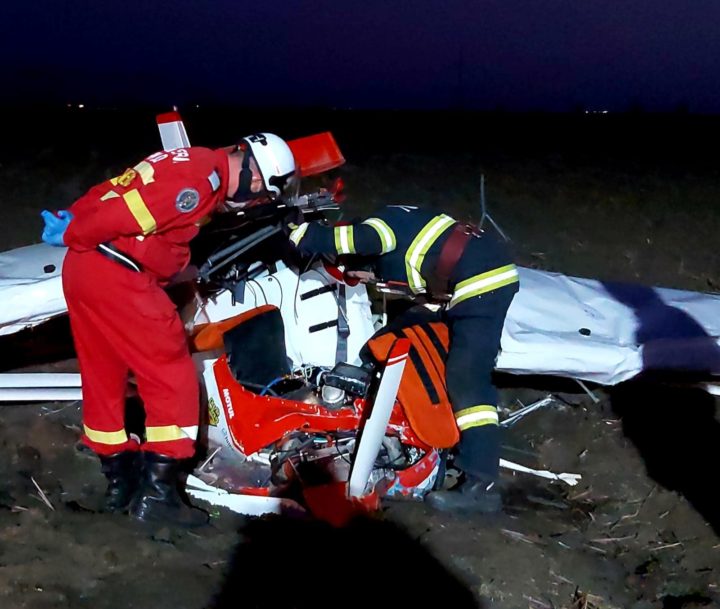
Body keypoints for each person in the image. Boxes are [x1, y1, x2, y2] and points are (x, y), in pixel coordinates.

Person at [41, 133, 297, 526]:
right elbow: (127, 216)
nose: (253, 202)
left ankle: (120, 486)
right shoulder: (201, 183)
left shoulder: (189, 159)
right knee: (171, 376)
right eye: (260, 195)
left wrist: (74, 218)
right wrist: (75, 231)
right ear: (258, 179)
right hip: (120, 276)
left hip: (85, 269)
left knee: (103, 374)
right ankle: (158, 497)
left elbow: (114, 191)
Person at [288, 204, 519, 513]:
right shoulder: (398, 228)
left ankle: (481, 485)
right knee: (399, 334)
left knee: (467, 376)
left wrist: (299, 234)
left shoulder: (380, 228)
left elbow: (354, 239)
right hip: (474, 272)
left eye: (355, 274)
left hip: (481, 278)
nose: (363, 280)